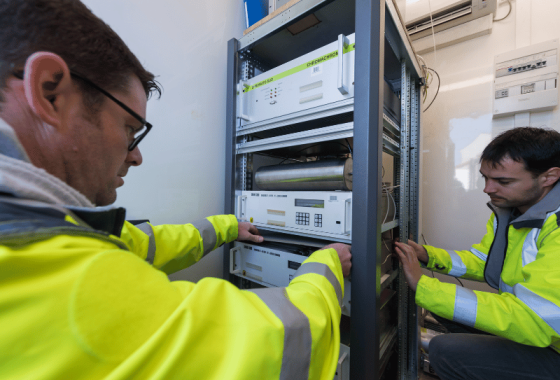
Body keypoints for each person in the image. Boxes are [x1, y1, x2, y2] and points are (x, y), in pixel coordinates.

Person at [0, 1, 352, 379]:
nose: (135, 157)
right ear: (50, 91)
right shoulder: (65, 279)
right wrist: (324, 265)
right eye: (130, 129)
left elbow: (144, 243)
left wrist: (226, 227)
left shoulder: (38, 232)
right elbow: (282, 340)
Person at [394, 127, 560, 380]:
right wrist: (428, 256)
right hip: (538, 329)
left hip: (552, 343)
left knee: (445, 350)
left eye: (503, 181)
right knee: (438, 306)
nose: (487, 189)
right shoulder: (513, 212)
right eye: (485, 178)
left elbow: (536, 317)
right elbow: (485, 261)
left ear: (549, 177)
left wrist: (424, 286)